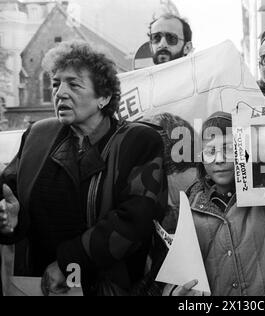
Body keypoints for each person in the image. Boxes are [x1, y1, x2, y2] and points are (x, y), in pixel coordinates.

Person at [0, 41, 167, 296]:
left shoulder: (139, 141)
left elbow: (135, 221)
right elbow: (11, 197)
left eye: (74, 84)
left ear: (104, 97)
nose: (60, 93)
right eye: (56, 84)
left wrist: (68, 263)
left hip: (106, 286)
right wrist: (10, 219)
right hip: (36, 284)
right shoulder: (37, 135)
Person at [164, 112, 265, 296]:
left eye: (228, 149)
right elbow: (176, 275)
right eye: (211, 151)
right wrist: (174, 293)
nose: (219, 159)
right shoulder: (188, 210)